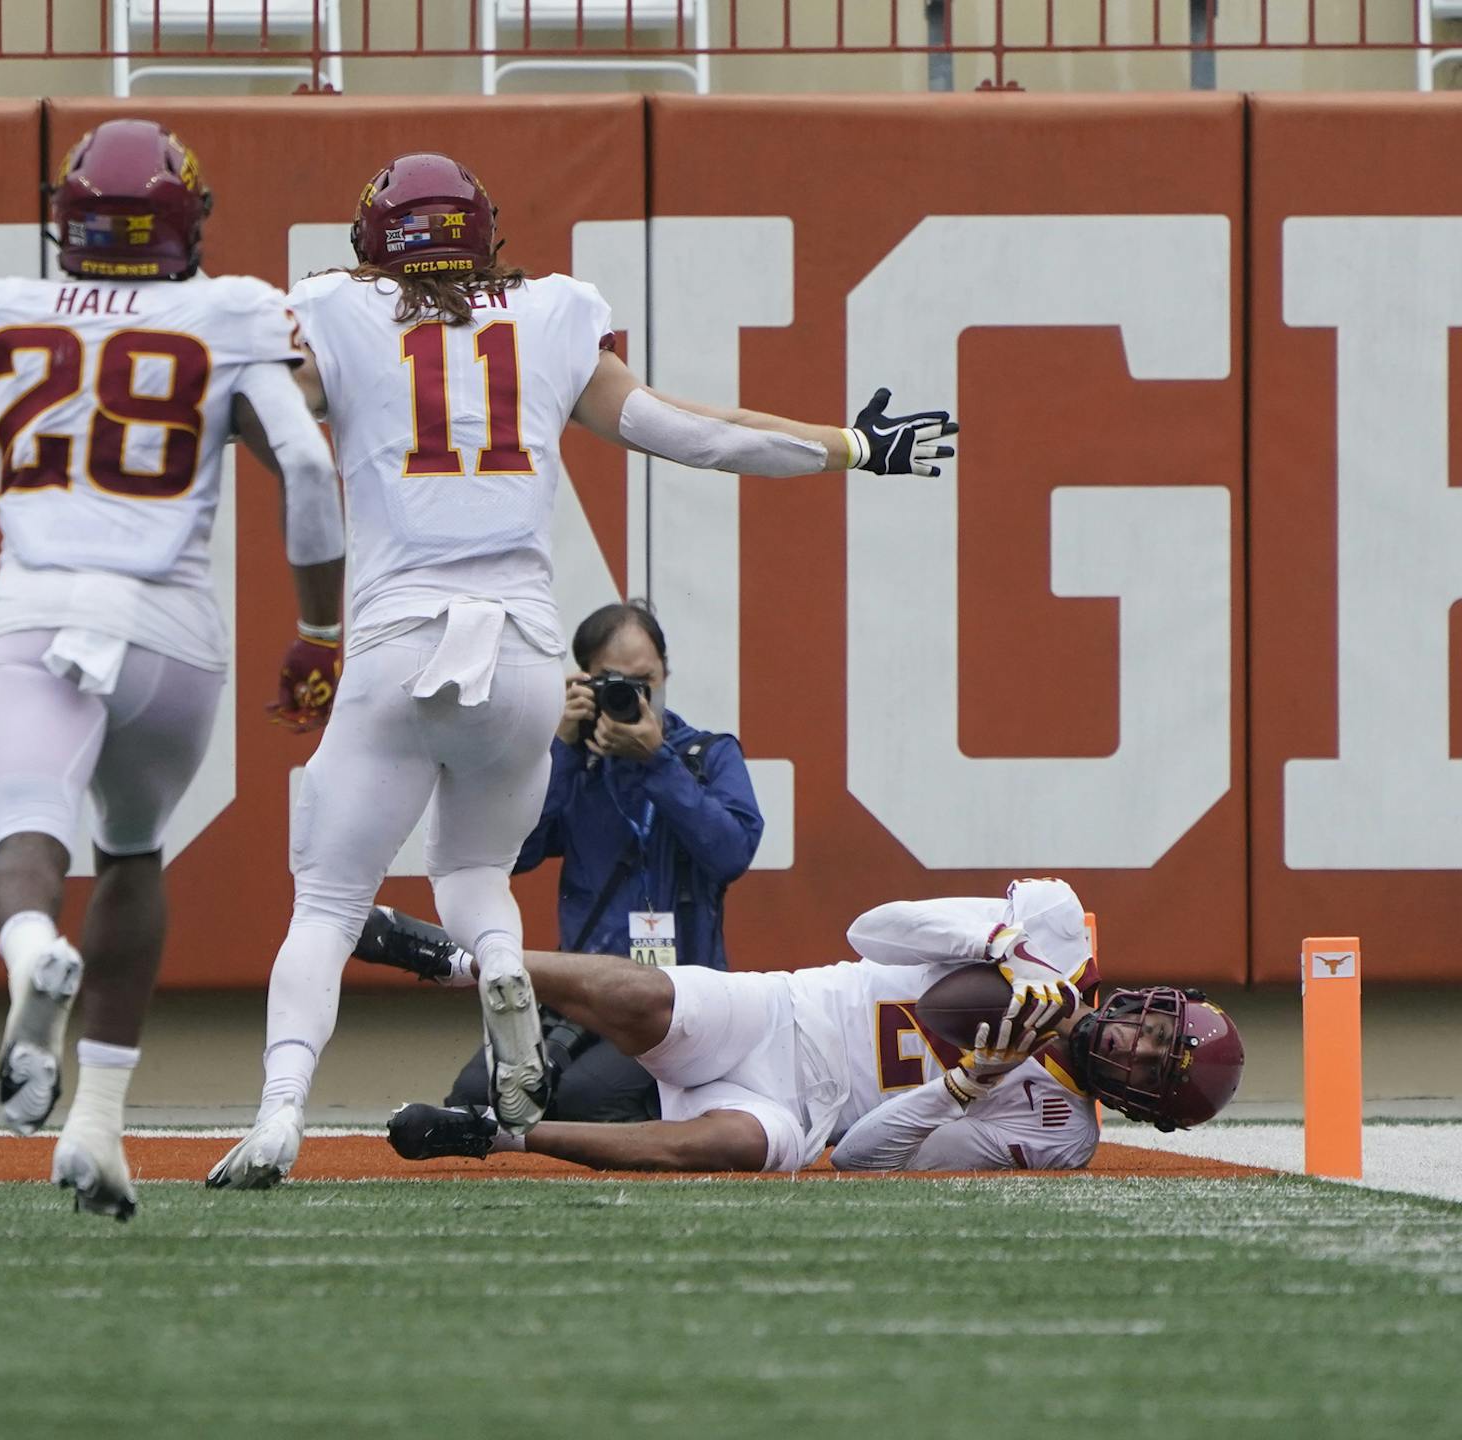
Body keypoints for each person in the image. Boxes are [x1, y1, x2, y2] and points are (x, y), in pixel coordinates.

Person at [208, 151, 959, 1190]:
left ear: (375, 243)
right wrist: (845, 447)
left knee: (329, 902)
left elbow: (246, 422)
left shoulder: (335, 309)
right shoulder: (555, 313)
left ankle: (279, 1113)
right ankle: (506, 971)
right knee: (472, 875)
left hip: (396, 637)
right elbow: (687, 432)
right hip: (520, 650)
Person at [0, 119, 345, 1221]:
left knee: (25, 840)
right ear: (184, 220)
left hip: (38, 604)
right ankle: (97, 1125)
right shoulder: (230, 311)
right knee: (135, 854)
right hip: (172, 630)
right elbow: (304, 463)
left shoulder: (1, 315)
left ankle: (32, 954)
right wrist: (320, 631)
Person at [367, 878, 1245, 1173]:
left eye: (1153, 1064)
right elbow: (870, 929)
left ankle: (494, 1137)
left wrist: (967, 1084)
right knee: (648, 997)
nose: (1132, 1044)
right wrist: (998, 941)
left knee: (725, 1148)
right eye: (1153, 1031)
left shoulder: (1060, 1133)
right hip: (787, 1010)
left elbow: (861, 1156)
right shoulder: (1053, 926)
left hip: (812, 1111)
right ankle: (457, 963)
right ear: (1147, 1002)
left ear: (1142, 1105)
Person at [431, 598, 761, 1122]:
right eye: (615, 682)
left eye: (644, 680)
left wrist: (658, 763)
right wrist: (559, 747)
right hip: (583, 993)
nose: (633, 696)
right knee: (478, 1093)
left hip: (678, 1001)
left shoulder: (706, 757)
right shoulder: (575, 763)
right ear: (585, 682)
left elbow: (731, 854)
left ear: (666, 673)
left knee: (589, 1101)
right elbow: (513, 854)